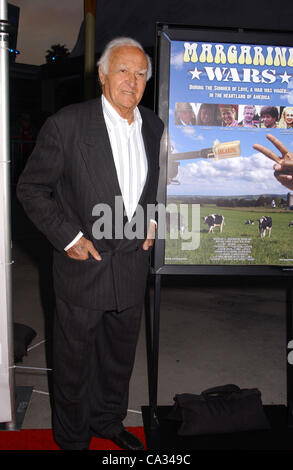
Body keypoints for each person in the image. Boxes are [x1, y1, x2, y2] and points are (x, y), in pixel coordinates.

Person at [17, 37, 164, 451]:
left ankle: (108, 420)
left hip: (132, 267)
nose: (131, 81)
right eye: (122, 70)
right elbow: (31, 188)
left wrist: (152, 220)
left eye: (140, 74)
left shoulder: (154, 126)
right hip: (83, 268)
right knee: (73, 364)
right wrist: (68, 236)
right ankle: (73, 437)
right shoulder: (68, 124)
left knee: (118, 360)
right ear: (101, 75)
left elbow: (153, 190)